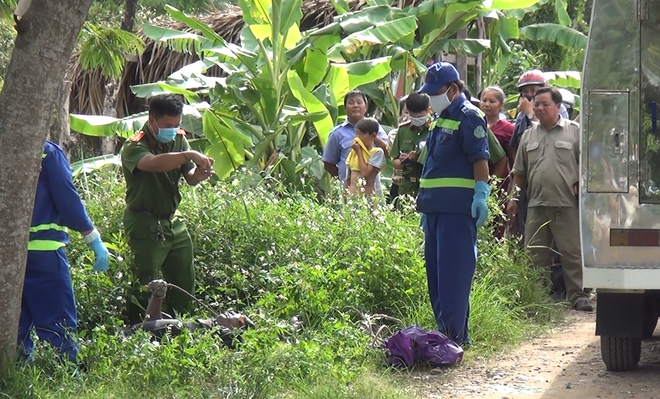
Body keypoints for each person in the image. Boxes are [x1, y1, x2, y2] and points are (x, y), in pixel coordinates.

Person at [120, 94, 215, 325]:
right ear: (152, 121)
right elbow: (153, 164)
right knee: (145, 284)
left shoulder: (179, 139)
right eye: (167, 126)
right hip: (144, 222)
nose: (173, 130)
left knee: (184, 281)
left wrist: (199, 174)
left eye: (177, 125)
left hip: (172, 221)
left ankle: (183, 327)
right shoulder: (134, 145)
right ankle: (137, 332)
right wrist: (189, 154)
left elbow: (189, 177)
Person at [417, 62, 491, 346]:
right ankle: (449, 333)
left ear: (453, 89)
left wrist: (481, 194)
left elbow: (480, 158)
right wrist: (427, 207)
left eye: (437, 92)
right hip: (435, 210)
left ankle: (452, 338)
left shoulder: (469, 116)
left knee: (454, 276)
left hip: (457, 211)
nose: (433, 97)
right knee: (436, 278)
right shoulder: (439, 118)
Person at [18, 141, 110, 363]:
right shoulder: (47, 151)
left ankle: (16, 374)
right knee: (58, 323)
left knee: (15, 325)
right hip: (45, 253)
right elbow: (66, 198)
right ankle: (67, 374)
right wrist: (93, 238)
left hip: (8, 254)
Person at [508, 87, 593, 311]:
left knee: (572, 252)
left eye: (545, 104)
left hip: (567, 204)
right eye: (536, 104)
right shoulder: (528, 135)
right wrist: (513, 199)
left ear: (558, 106)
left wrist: (582, 188)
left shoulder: (574, 132)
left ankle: (578, 296)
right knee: (535, 254)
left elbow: (588, 167)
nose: (539, 108)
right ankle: (538, 297)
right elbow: (519, 173)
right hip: (536, 204)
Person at [508, 70, 569, 240]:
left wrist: (531, 114)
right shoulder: (521, 115)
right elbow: (515, 146)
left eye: (533, 90)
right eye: (525, 92)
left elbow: (551, 136)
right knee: (527, 234)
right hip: (529, 184)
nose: (529, 95)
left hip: (557, 192)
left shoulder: (559, 110)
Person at [124, 280, 254, 349]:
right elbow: (152, 321)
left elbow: (241, 344)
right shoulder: (197, 324)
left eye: (239, 317)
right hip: (128, 336)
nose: (230, 312)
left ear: (240, 329)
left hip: (129, 343)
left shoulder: (217, 334)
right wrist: (157, 297)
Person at [322, 90, 389, 187]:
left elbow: (387, 152)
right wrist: (343, 178)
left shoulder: (376, 128)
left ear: (365, 107)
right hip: (348, 189)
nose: (355, 105)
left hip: (373, 188)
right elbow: (328, 163)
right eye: (351, 102)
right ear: (345, 108)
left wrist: (371, 135)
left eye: (359, 102)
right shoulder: (337, 133)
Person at [390, 93, 431, 203]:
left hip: (427, 185)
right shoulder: (403, 130)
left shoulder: (434, 129)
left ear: (428, 111)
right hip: (406, 187)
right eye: (413, 115)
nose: (416, 118)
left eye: (420, 115)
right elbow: (394, 159)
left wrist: (418, 157)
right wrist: (403, 160)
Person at [344, 117, 387, 198]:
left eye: (361, 134)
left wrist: (359, 152)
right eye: (357, 134)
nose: (357, 137)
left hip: (367, 199)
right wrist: (344, 199)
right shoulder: (353, 153)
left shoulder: (377, 153)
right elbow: (348, 179)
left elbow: (365, 173)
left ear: (373, 135)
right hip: (352, 199)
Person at [387, 96, 409, 204]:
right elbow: (397, 162)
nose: (410, 116)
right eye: (406, 112)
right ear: (400, 114)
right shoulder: (394, 134)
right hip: (399, 183)